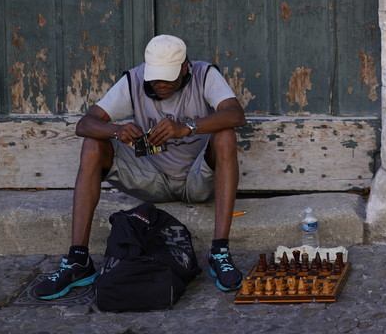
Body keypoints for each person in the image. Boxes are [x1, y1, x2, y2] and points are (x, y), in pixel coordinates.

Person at [36, 34, 248, 299]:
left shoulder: (204, 74)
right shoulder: (134, 79)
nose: (160, 84)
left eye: (168, 77)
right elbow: (85, 124)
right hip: (151, 179)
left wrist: (186, 127)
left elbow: (235, 114)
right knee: (93, 143)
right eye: (155, 77)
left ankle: (219, 251)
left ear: (185, 68)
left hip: (197, 178)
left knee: (226, 136)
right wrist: (116, 130)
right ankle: (78, 259)